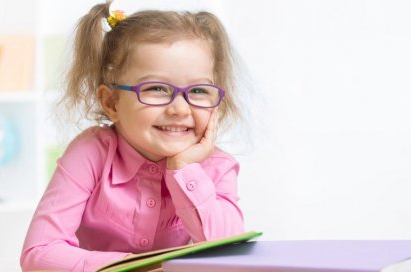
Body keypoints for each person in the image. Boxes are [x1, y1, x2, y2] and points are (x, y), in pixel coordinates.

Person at [20, 1, 245, 271]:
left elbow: (229, 252)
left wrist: (185, 169)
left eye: (198, 91)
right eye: (157, 89)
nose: (179, 109)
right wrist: (135, 267)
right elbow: (39, 253)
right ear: (112, 102)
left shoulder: (216, 167)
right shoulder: (91, 153)